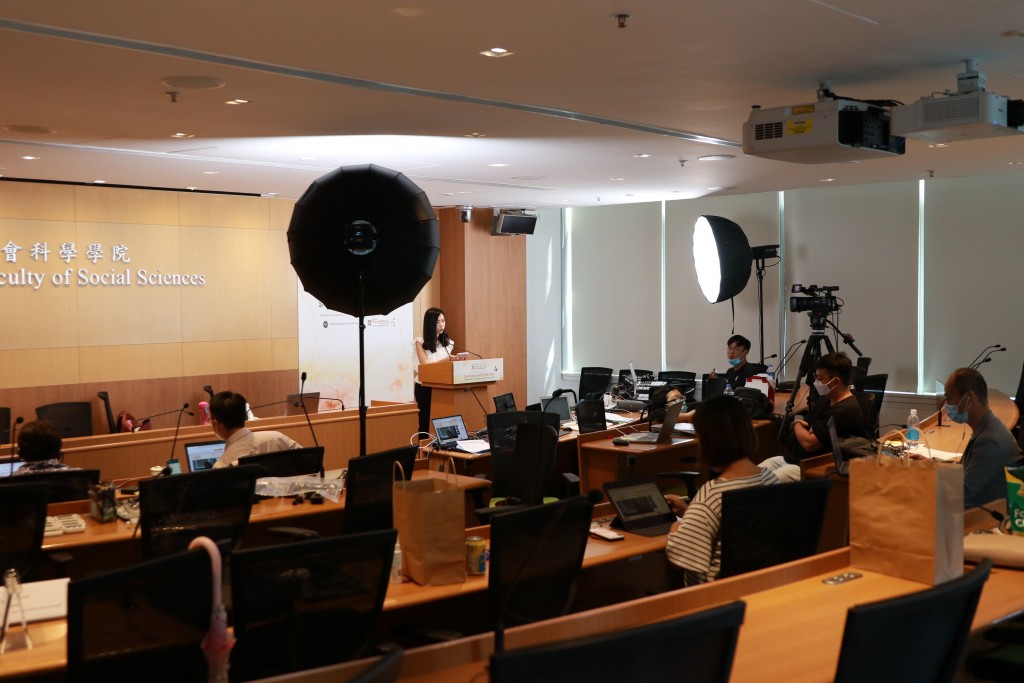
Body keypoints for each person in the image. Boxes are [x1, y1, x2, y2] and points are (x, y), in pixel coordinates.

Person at [664, 396, 780, 586]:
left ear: (710, 442)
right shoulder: (770, 478)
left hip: (713, 595)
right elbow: (741, 528)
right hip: (757, 587)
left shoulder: (712, 494)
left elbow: (681, 559)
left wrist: (677, 528)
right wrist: (691, 513)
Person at [760, 351, 863, 482]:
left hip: (809, 466)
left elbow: (809, 443)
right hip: (792, 458)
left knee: (760, 484)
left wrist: (797, 423)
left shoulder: (845, 410)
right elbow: (807, 426)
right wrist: (804, 428)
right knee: (750, 475)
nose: (816, 383)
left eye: (820, 379)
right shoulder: (826, 399)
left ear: (836, 381)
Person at [939, 368, 1021, 508]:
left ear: (968, 398)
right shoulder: (987, 428)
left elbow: (959, 496)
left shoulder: (990, 442)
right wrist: (930, 466)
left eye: (949, 398)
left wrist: (924, 479)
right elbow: (967, 470)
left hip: (984, 515)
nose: (947, 405)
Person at [209, 391, 301, 468]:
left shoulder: (221, 466)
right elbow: (306, 462)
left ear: (215, 424)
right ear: (244, 416)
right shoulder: (277, 438)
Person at [413, 307, 459, 435]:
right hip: (425, 388)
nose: (441, 325)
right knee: (425, 423)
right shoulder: (420, 342)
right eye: (437, 322)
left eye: (443, 321)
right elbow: (425, 366)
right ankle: (424, 446)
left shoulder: (447, 343)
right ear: (430, 324)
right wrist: (446, 360)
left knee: (443, 422)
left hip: (443, 387)